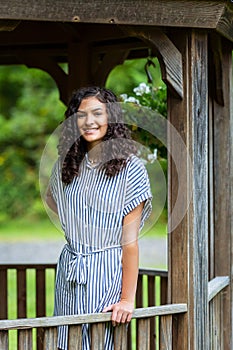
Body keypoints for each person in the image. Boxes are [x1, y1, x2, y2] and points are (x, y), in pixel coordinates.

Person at [46, 86, 152, 350]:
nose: (89, 121)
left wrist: (127, 299)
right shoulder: (67, 164)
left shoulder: (131, 168)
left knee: (100, 344)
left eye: (97, 113)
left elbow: (129, 242)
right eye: (81, 115)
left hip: (106, 275)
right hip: (70, 272)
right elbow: (52, 199)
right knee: (66, 344)